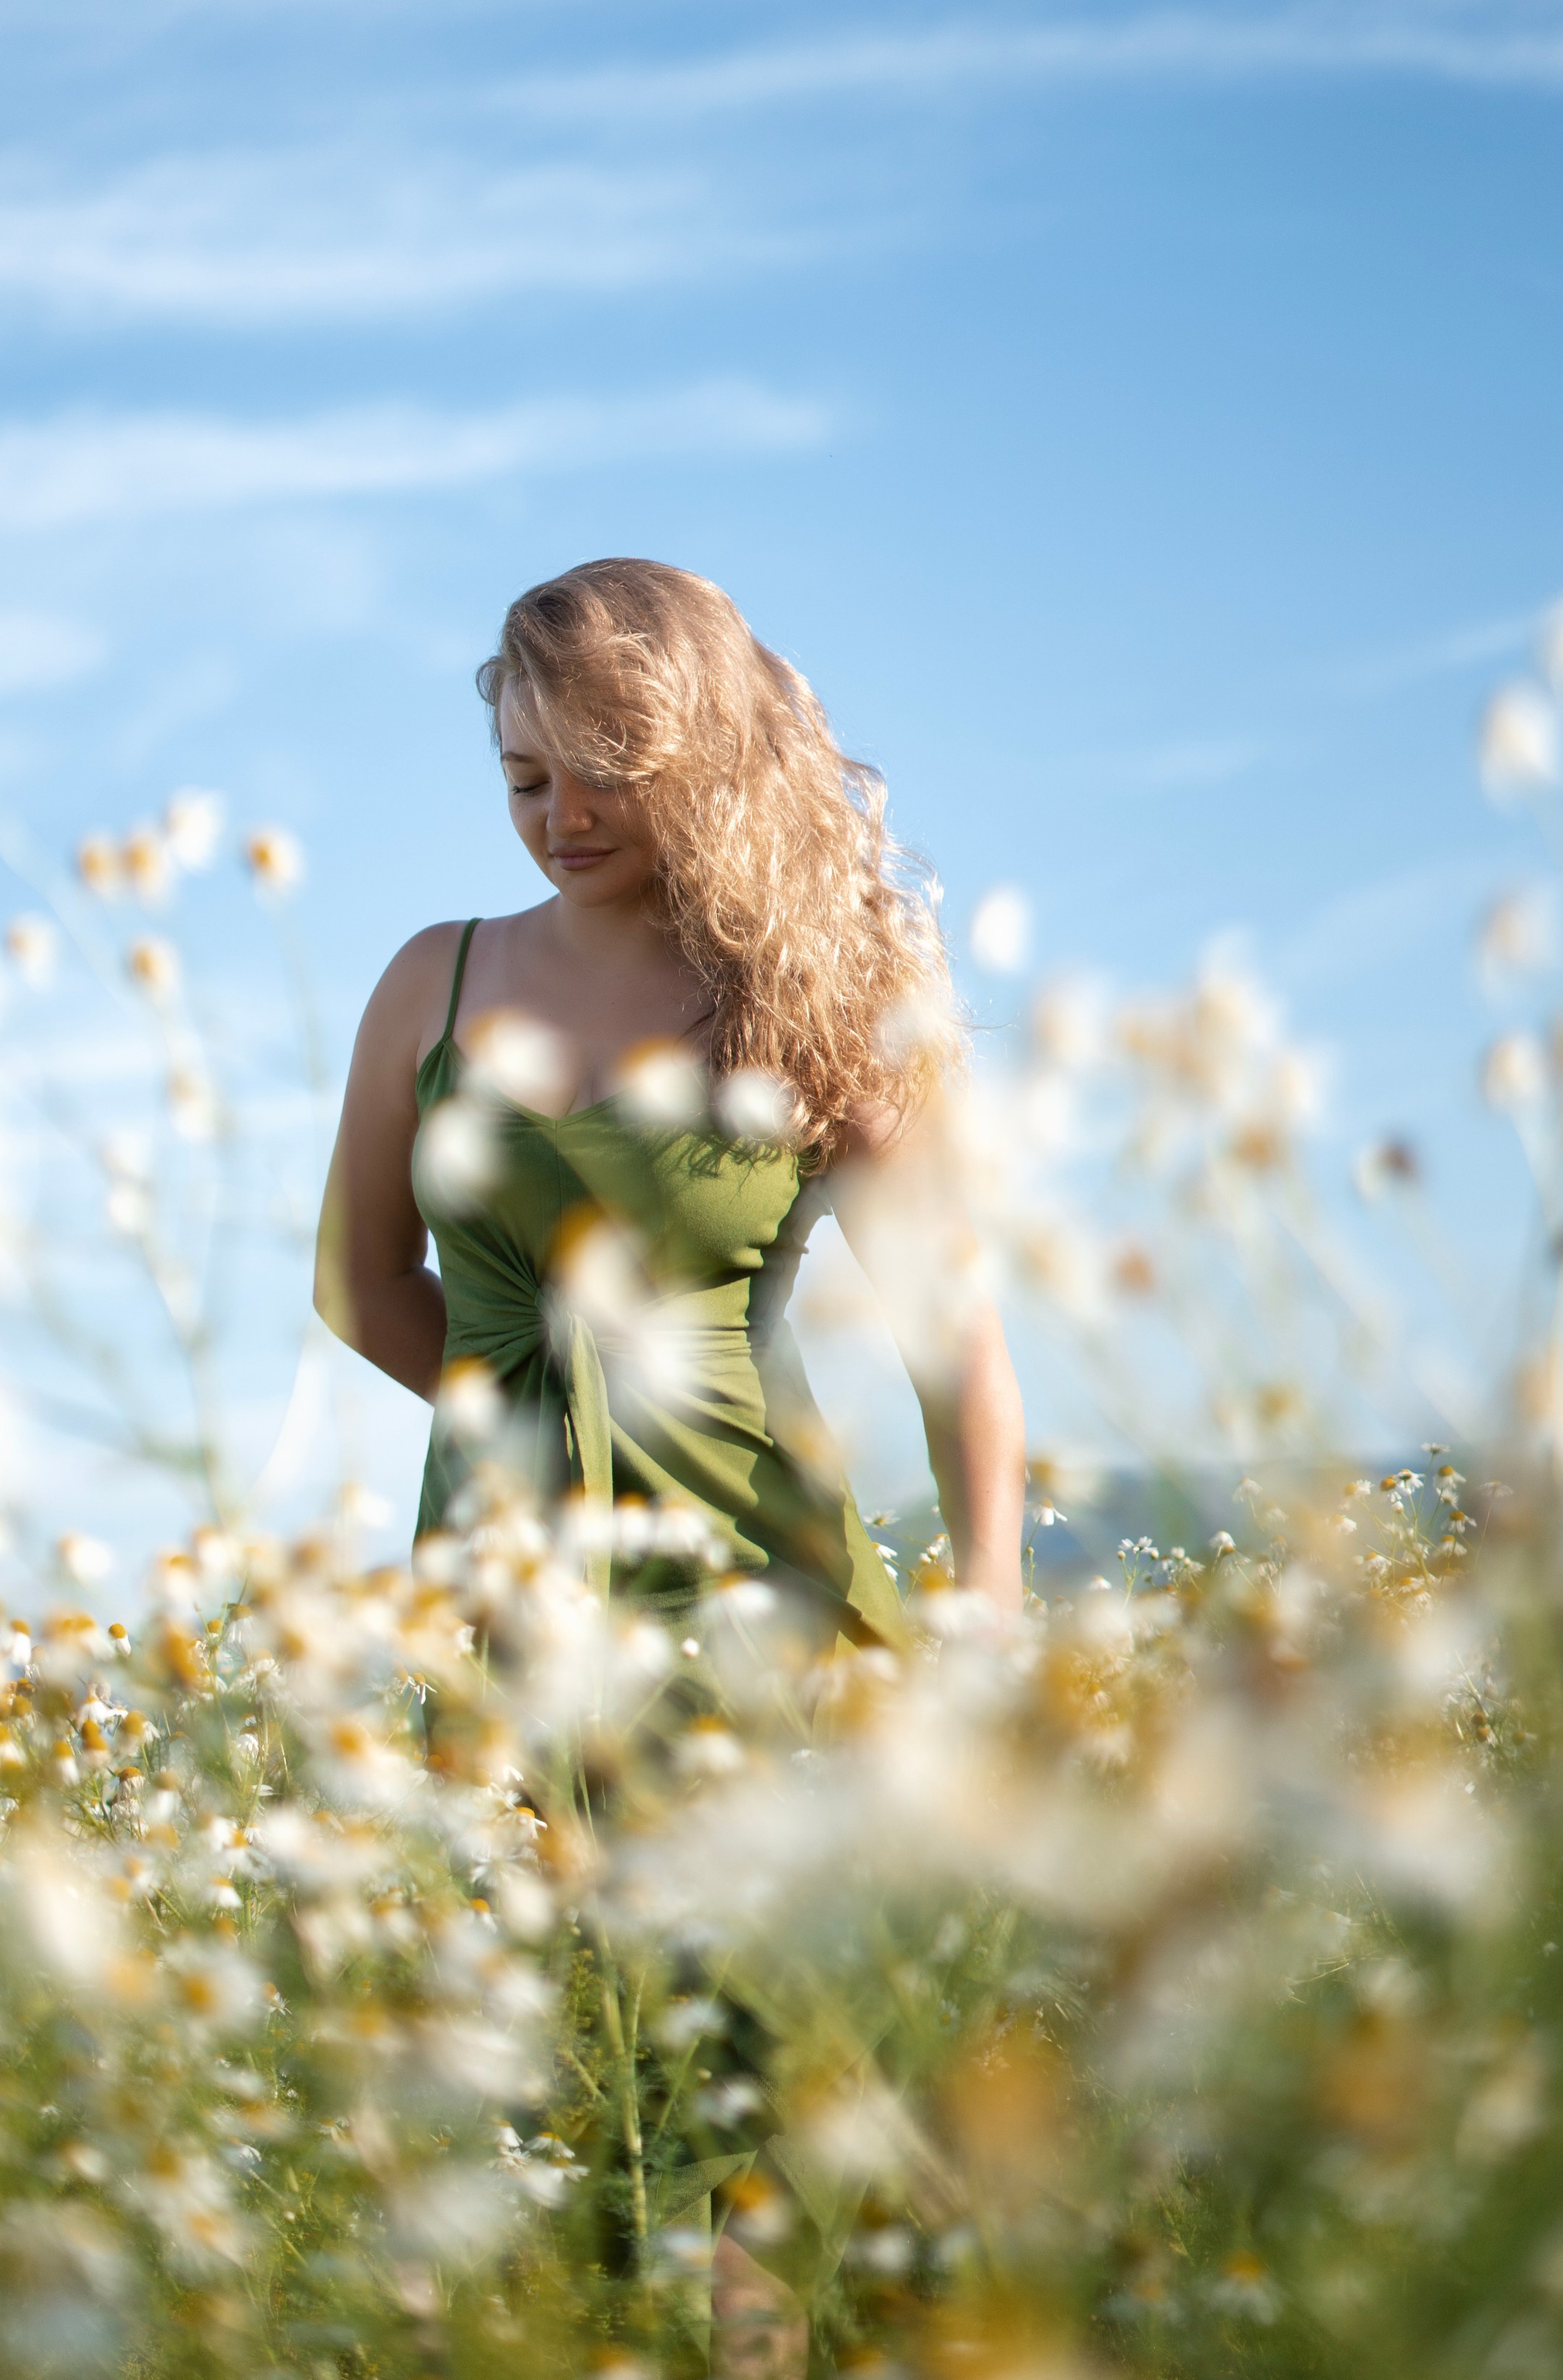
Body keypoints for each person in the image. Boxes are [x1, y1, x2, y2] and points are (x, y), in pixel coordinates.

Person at [312, 556, 1025, 2372]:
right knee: (575, 2078)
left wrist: (988, 1607)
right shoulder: (434, 982)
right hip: (511, 1611)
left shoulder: (798, 991)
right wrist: (517, 1427)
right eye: (523, 778)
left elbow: (957, 1344)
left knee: (785, 2079)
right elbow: (353, 1288)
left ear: (695, 750)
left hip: (770, 1596)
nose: (558, 816)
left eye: (600, 769)